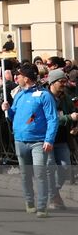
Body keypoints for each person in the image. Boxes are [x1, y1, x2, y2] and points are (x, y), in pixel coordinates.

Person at [4, 62, 58, 217]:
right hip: (20, 140)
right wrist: (8, 109)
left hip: (39, 141)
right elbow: (15, 115)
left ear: (26, 78)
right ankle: (29, 201)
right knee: (25, 174)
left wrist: (49, 140)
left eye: (19, 75)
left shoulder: (44, 96)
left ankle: (42, 206)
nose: (16, 78)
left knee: (40, 173)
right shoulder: (19, 94)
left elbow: (52, 119)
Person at [48, 68, 77, 211]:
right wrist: (68, 118)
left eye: (65, 81)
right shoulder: (44, 97)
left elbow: (72, 112)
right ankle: (54, 196)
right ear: (52, 82)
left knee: (65, 167)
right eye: (61, 81)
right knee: (50, 169)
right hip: (47, 140)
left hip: (62, 139)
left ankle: (53, 192)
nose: (64, 84)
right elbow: (49, 120)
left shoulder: (65, 97)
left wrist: (74, 124)